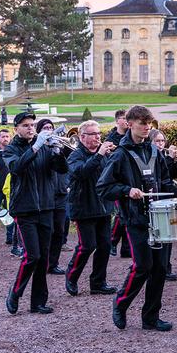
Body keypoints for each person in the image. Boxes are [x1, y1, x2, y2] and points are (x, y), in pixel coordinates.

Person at [98, 105, 177, 332]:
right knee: (143, 266)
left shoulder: (154, 151)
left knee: (160, 268)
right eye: (142, 123)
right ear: (129, 124)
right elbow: (104, 187)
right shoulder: (120, 155)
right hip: (135, 219)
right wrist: (126, 190)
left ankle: (150, 317)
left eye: (149, 123)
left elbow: (165, 184)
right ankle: (120, 304)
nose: (146, 127)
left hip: (160, 217)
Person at [3, 112, 68, 315]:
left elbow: (62, 170)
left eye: (32, 125)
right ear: (16, 129)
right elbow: (16, 167)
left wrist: (58, 152)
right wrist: (37, 146)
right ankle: (15, 293)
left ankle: (38, 302)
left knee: (43, 258)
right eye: (25, 125)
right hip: (25, 208)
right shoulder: (11, 149)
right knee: (32, 256)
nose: (30, 128)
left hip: (47, 206)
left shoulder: (44, 147)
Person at [65, 120, 117, 295]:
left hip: (103, 206)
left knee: (105, 246)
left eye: (98, 134)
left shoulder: (105, 154)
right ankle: (71, 277)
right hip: (83, 207)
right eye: (93, 134)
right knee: (87, 246)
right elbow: (82, 172)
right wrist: (100, 155)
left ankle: (98, 283)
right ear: (82, 137)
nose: (98, 137)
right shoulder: (75, 155)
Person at [33, 119, 70, 277]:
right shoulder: (39, 147)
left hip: (60, 193)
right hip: (45, 195)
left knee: (59, 231)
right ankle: (43, 261)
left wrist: (59, 147)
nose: (48, 130)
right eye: (45, 128)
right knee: (48, 231)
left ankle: (53, 263)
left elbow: (67, 164)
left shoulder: (57, 145)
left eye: (50, 127)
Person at [149, 128, 177, 281]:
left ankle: (166, 267)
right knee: (158, 236)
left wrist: (176, 161)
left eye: (162, 141)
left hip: (166, 198)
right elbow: (163, 174)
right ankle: (158, 267)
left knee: (167, 235)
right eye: (157, 141)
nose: (161, 143)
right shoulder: (151, 156)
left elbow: (175, 175)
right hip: (156, 200)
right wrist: (169, 159)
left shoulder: (163, 155)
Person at [107, 109, 131, 258]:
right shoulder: (111, 138)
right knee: (121, 214)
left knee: (129, 213)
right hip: (116, 181)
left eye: (127, 118)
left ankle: (127, 248)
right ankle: (112, 242)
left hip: (128, 179)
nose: (125, 121)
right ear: (117, 121)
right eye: (123, 118)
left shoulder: (131, 136)